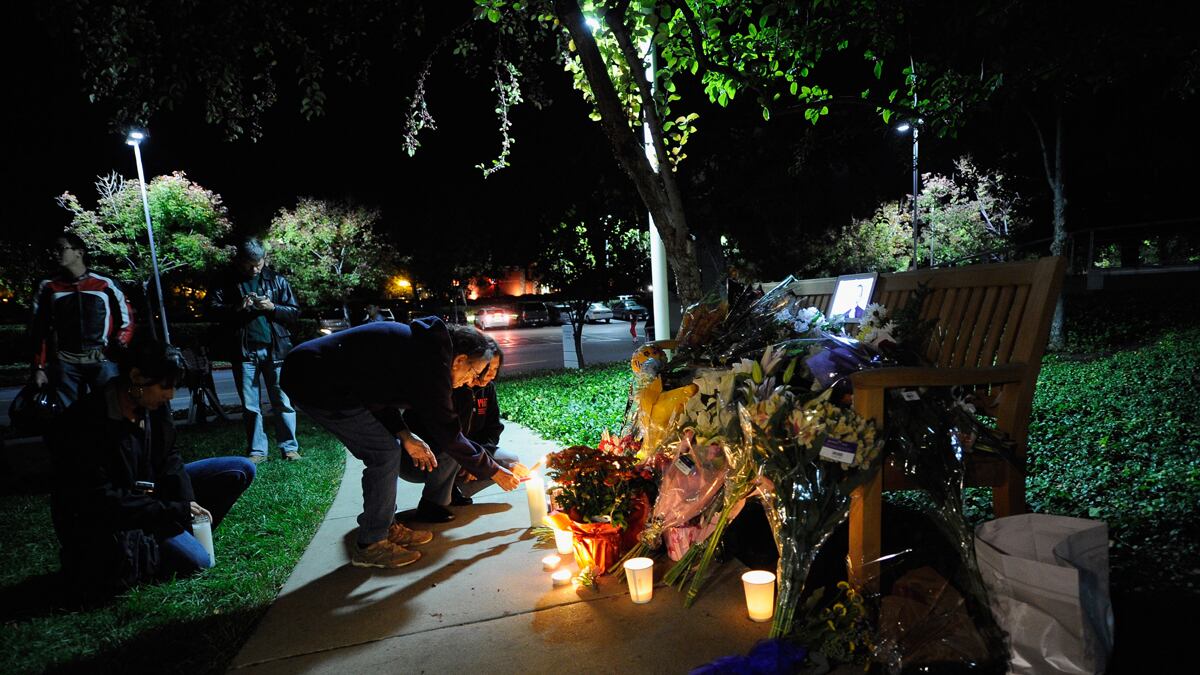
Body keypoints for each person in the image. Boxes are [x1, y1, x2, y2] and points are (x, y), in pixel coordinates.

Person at [280, 317, 524, 569]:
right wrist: (493, 470)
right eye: (474, 372)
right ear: (460, 359)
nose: (472, 382)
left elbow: (377, 395)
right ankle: (371, 544)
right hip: (314, 380)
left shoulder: (426, 350)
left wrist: (405, 435)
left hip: (339, 384)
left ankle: (385, 525)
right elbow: (450, 435)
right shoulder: (430, 367)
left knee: (389, 448)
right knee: (383, 453)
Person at [48, 337, 256, 593]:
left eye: (174, 387)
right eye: (165, 386)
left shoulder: (153, 406)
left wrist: (187, 506)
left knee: (239, 469)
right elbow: (100, 498)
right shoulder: (86, 422)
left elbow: (171, 458)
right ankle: (150, 548)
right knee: (198, 561)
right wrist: (171, 510)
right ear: (136, 376)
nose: (169, 395)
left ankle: (176, 537)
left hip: (151, 496)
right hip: (115, 515)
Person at [209, 238, 301, 463]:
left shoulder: (277, 280)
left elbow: (294, 311)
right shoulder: (226, 282)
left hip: (274, 349)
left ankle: (289, 447)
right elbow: (211, 310)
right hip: (244, 351)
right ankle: (257, 451)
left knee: (283, 401)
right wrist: (236, 308)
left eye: (258, 263)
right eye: (249, 264)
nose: (254, 269)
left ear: (264, 259)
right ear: (240, 261)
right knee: (251, 406)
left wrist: (273, 307)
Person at [408, 340, 524, 507]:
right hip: (438, 453)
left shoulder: (487, 389)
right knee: (456, 454)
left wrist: (478, 461)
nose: (491, 375)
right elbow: (450, 437)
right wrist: (473, 462)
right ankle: (435, 502)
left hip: (470, 449)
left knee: (510, 461)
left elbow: (493, 428)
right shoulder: (454, 386)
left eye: (495, 369)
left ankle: (455, 489)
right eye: (487, 368)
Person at [29, 232, 135, 408]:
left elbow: (127, 321)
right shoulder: (47, 286)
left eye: (60, 248)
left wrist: (117, 347)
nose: (54, 253)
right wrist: (38, 368)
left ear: (79, 252)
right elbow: (38, 330)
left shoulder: (105, 283)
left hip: (102, 360)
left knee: (109, 411)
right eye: (52, 250)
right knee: (67, 417)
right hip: (65, 363)